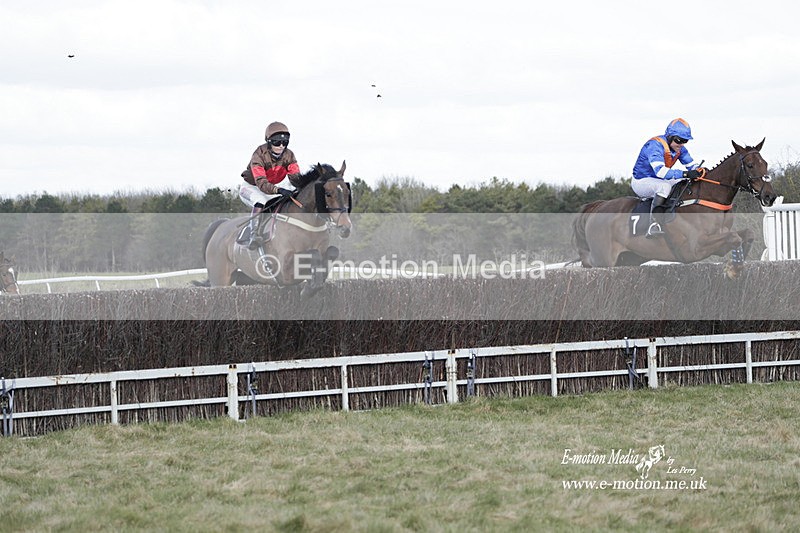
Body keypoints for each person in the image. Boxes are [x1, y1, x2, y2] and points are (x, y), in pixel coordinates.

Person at [632, 118, 705, 238]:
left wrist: (700, 171)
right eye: (679, 140)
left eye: (685, 141)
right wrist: (686, 174)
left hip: (659, 179)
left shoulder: (679, 148)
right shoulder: (654, 145)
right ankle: (654, 225)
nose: (681, 144)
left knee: (683, 182)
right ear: (669, 136)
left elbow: (691, 165)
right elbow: (660, 172)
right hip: (641, 181)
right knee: (664, 187)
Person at [238, 121, 301, 249]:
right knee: (261, 201)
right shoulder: (259, 154)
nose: (281, 146)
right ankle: (253, 235)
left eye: (285, 142)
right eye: (277, 142)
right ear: (269, 141)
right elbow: (261, 183)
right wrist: (279, 189)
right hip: (252, 187)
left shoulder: (289, 155)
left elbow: (296, 177)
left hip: (270, 189)